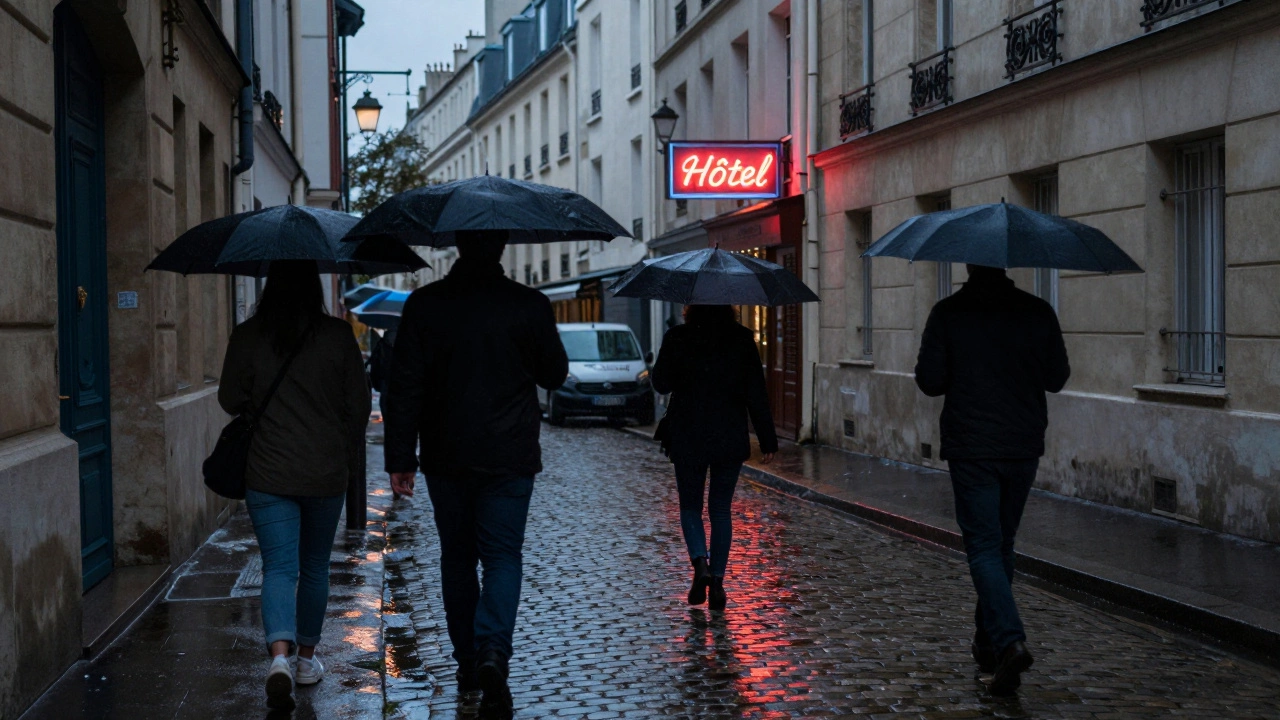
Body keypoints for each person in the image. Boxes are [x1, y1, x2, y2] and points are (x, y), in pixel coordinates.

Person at [382, 230, 568, 717]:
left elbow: (404, 385)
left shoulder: (425, 304)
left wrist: (401, 457)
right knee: (503, 556)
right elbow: (555, 373)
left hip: (447, 456)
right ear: (503, 247)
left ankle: (467, 661)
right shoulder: (528, 304)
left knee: (458, 558)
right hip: (510, 455)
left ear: (457, 246)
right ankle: (492, 652)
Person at [217, 260, 371, 711]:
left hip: (268, 472)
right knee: (316, 566)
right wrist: (341, 450)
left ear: (269, 287)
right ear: (314, 287)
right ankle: (305, 660)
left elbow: (229, 398)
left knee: (279, 568)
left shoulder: (248, 335)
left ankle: (278, 659)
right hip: (324, 472)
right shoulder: (338, 336)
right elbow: (358, 407)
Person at [914, 263, 1070, 696]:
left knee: (984, 545)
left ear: (968, 266)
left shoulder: (948, 312)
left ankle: (1008, 641)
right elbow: (1057, 378)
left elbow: (930, 382)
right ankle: (987, 642)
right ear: (1004, 265)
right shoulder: (1037, 311)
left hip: (972, 444)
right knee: (1001, 543)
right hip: (1021, 443)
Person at [651, 304, 778, 611]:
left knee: (690, 506)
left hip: (688, 433)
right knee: (720, 509)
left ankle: (700, 562)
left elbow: (660, 383)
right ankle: (718, 583)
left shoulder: (678, 337)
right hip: (728, 435)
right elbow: (756, 392)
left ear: (691, 308)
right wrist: (767, 437)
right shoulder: (742, 338)